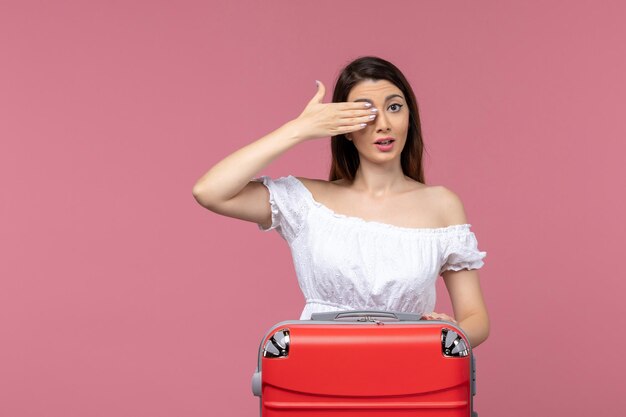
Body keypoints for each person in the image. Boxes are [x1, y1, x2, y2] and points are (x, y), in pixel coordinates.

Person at [193, 56, 489, 347]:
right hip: (319, 378)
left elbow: (476, 319)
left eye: (395, 107)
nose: (383, 123)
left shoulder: (441, 204)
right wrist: (298, 129)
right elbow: (210, 191)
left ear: (409, 117)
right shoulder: (306, 203)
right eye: (365, 111)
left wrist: (451, 332)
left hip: (410, 377)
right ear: (344, 128)